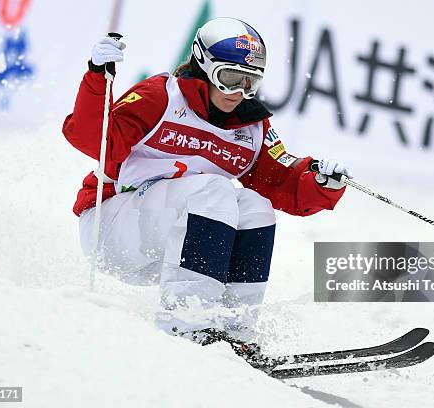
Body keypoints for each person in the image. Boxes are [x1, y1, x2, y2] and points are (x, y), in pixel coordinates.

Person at [63, 17, 348, 343]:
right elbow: (94, 139)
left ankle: (233, 328)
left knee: (255, 206)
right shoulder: (162, 97)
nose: (238, 93)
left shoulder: (250, 128)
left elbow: (283, 182)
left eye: (250, 82)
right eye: (229, 78)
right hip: (112, 227)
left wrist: (322, 181)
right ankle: (187, 321)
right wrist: (98, 78)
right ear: (204, 64)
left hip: (177, 248)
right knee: (213, 189)